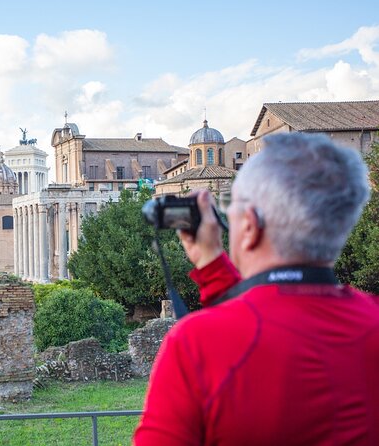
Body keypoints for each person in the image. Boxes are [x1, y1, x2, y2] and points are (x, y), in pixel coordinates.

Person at [134, 133, 379, 445]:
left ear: (249, 225)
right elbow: (280, 317)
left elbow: (256, 330)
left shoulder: (194, 345)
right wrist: (212, 267)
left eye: (230, 209)